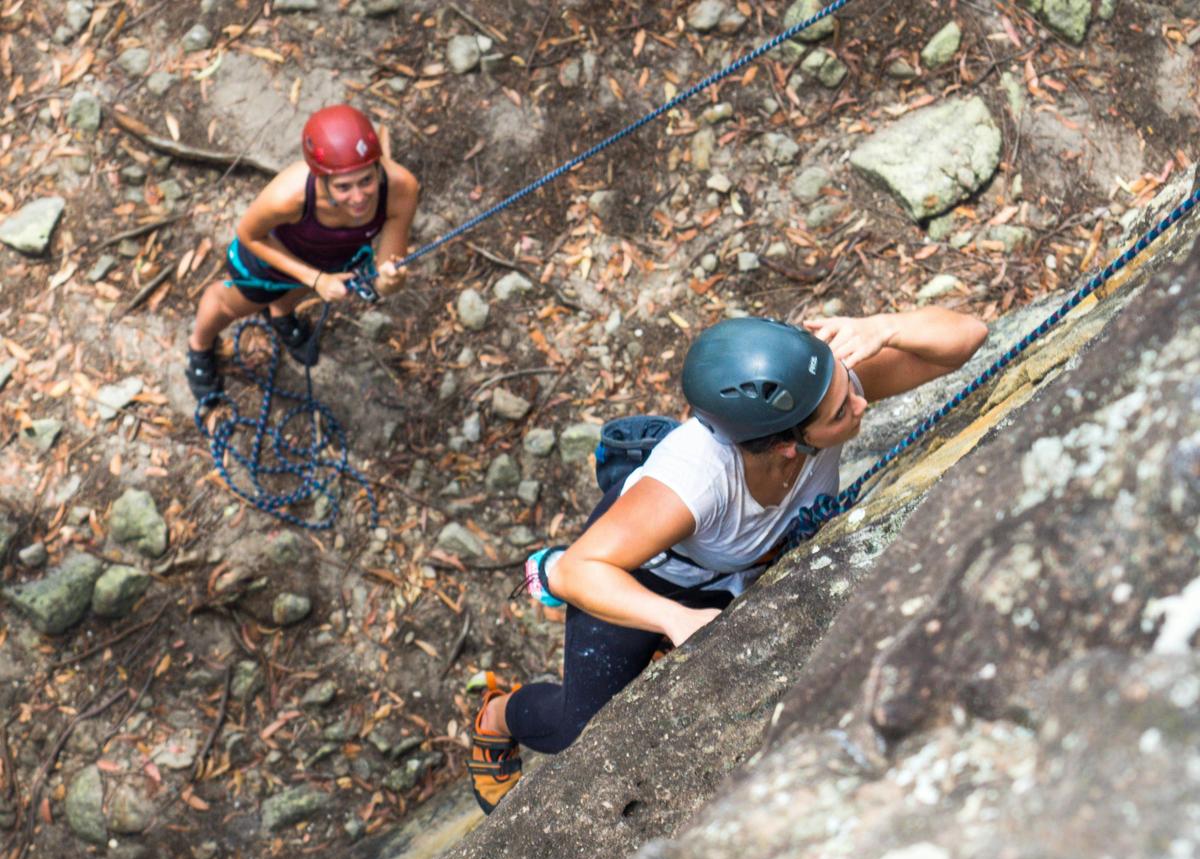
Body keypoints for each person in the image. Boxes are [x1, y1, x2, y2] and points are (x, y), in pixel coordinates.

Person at [465, 308, 988, 813]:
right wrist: (676, 619)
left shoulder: (820, 391)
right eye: (841, 410)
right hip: (645, 571)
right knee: (576, 731)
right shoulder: (698, 481)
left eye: (849, 386)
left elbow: (967, 338)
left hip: (732, 565)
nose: (859, 404)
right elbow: (576, 570)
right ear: (787, 445)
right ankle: (498, 716)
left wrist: (885, 327)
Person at [185, 104, 420, 400]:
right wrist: (316, 278)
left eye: (367, 180)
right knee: (230, 306)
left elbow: (385, 275)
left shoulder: (400, 189)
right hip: (270, 257)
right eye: (343, 187)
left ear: (378, 166)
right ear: (320, 178)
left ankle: (281, 314)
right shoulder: (289, 196)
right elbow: (248, 235)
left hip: (329, 259)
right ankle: (199, 346)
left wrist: (391, 281)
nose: (359, 198)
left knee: (298, 293)